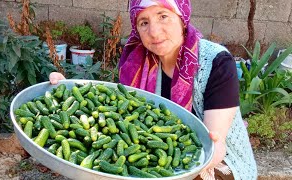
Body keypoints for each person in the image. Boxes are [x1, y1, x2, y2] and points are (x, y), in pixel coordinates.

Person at [49, 0, 257, 179]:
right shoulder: (137, 62)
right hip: (153, 157)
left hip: (216, 161)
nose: (154, 32)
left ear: (181, 17)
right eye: (144, 22)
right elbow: (114, 106)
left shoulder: (216, 62)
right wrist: (67, 93)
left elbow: (214, 145)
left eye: (163, 16)